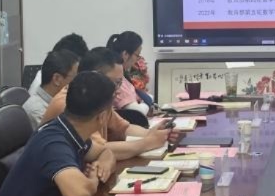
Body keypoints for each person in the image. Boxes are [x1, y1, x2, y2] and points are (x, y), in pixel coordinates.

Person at [0, 71, 125, 196]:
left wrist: (103, 164)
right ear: (102, 117)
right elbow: (79, 193)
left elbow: (105, 151)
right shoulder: (53, 142)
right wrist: (94, 179)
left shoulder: (68, 129)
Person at [41, 48, 173, 160]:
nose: (118, 89)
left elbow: (123, 128)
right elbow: (97, 150)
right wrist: (148, 142)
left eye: (120, 83)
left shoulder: (100, 96)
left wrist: (153, 133)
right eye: (116, 82)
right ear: (96, 76)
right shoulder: (71, 101)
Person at [23, 49, 78, 127]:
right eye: (75, 78)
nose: (78, 83)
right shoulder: (37, 112)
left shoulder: (61, 103)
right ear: (57, 79)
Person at [106, 31, 150, 116]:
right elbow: (138, 112)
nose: (138, 59)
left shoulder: (124, 78)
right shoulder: (118, 81)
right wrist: (147, 103)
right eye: (137, 55)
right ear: (125, 54)